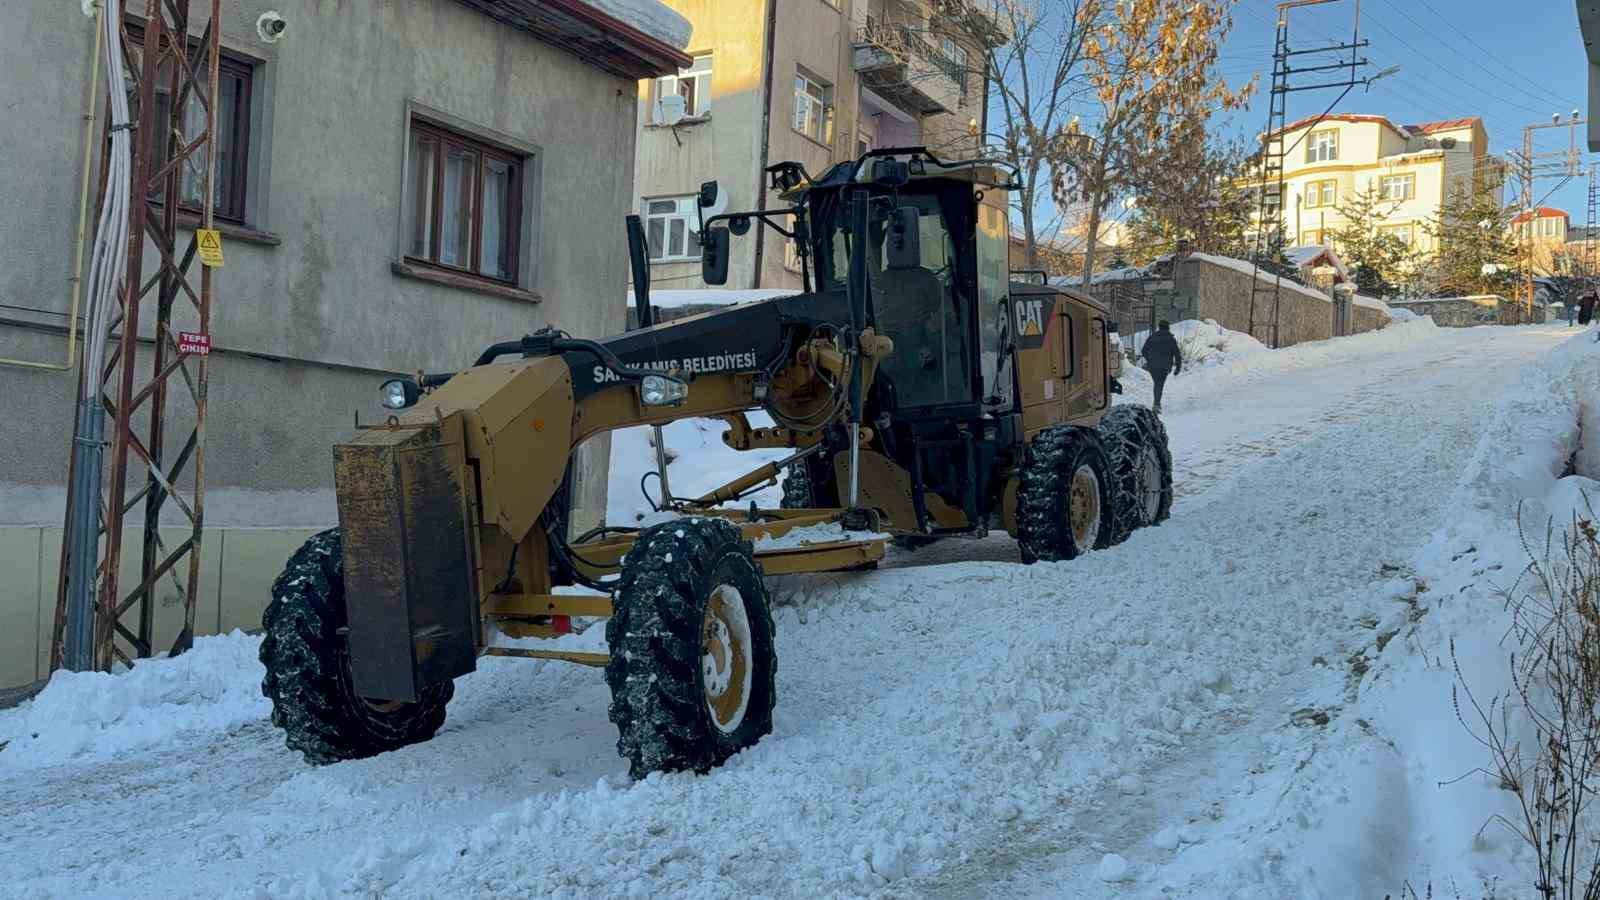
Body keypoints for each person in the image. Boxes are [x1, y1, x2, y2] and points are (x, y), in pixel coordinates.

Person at [1142, 320, 1182, 414]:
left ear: (1159, 327)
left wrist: (1149, 359)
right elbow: (1177, 354)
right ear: (1168, 327)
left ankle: (1156, 403)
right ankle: (1156, 404)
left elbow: (1144, 350)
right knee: (1159, 384)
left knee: (1157, 383)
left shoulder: (1152, 337)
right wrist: (1178, 367)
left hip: (1152, 366)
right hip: (1164, 366)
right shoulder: (1171, 339)